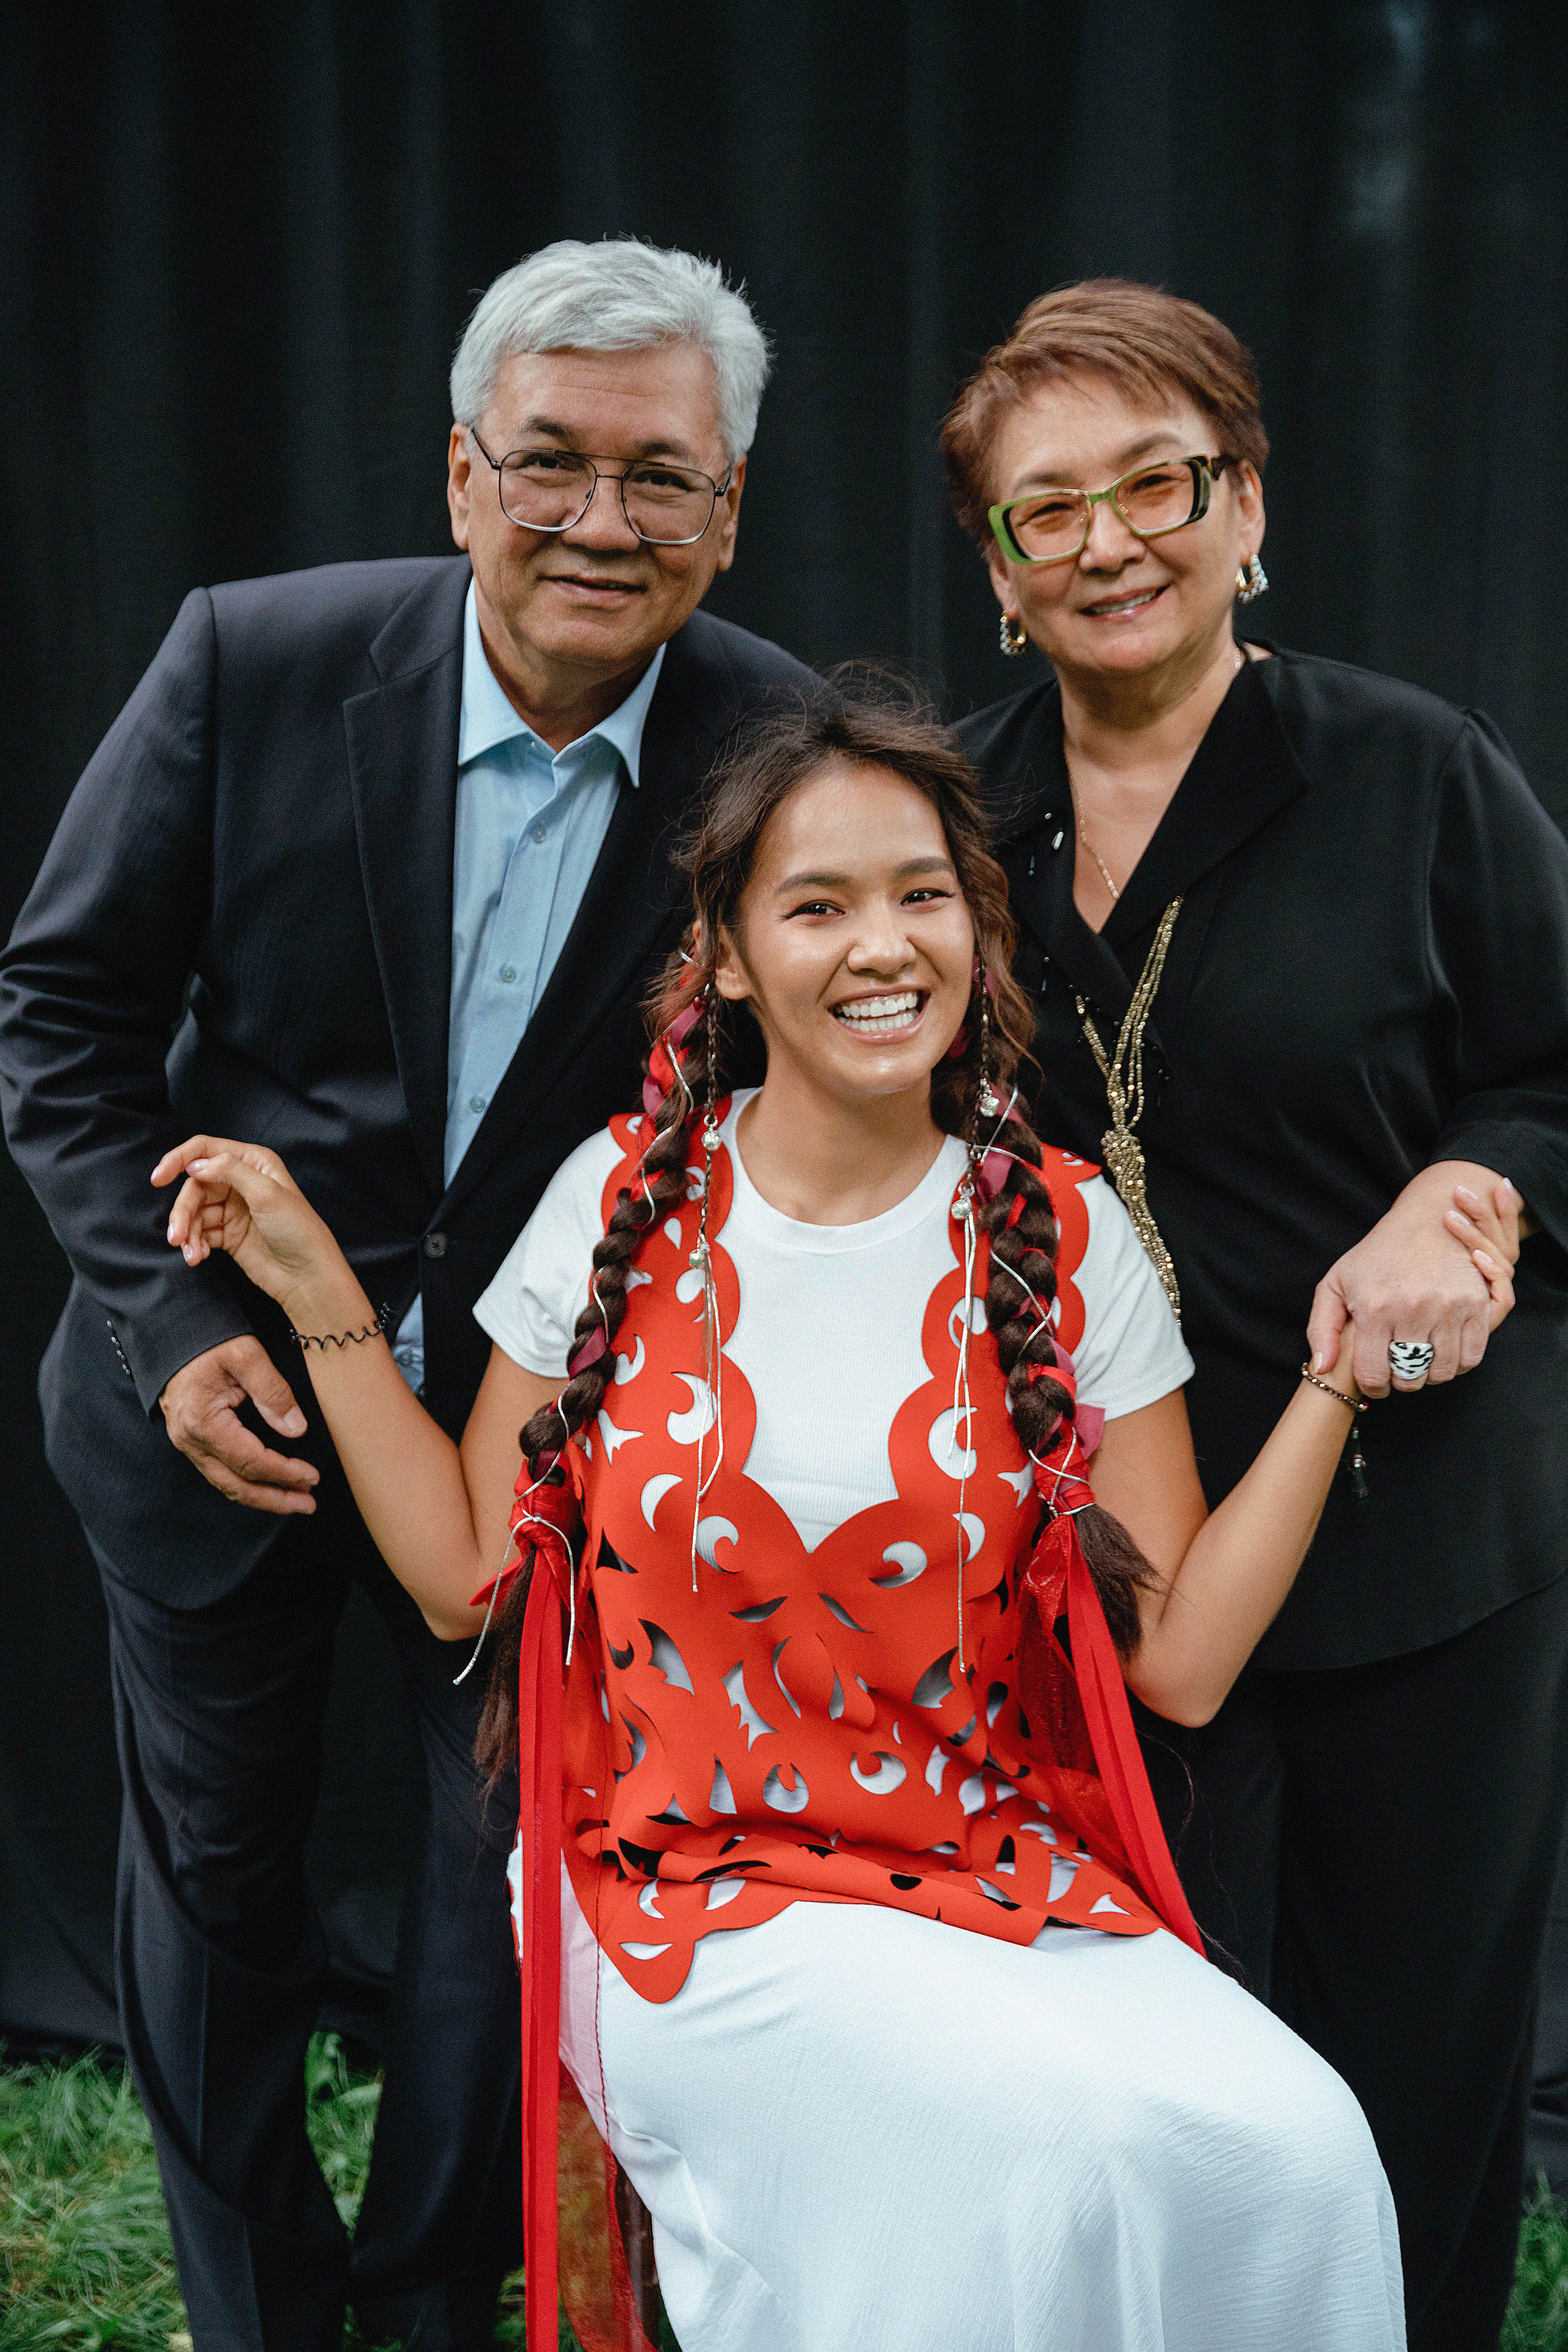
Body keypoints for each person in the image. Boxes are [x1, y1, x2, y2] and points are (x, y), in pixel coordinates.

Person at [145, 688, 1486, 2352]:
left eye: (925, 894)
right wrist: (321, 1299)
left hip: (996, 1879)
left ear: (978, 932)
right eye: (818, 903)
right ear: (720, 952)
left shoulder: (1068, 1240)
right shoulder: (616, 1206)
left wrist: (1339, 1381)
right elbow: (454, 1581)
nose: (883, 946)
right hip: (682, 1888)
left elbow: (1186, 1669)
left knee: (1296, 2152)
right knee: (1060, 2161)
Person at [0, 237, 813, 2352]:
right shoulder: (247, 663)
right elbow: (62, 1016)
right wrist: (166, 1337)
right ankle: (263, 2313)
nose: (598, 521)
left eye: (660, 478)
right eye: (549, 463)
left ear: (728, 512)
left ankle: (448, 2305)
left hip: (546, 1456)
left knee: (503, 1907)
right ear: (461, 477)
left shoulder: (785, 747)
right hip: (230, 1412)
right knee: (216, 1890)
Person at [942, 277, 1568, 2352]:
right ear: (1000, 568)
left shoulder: (1414, 773)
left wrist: (1467, 1188)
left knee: (1407, 2079)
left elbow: (1555, 1071)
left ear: (1248, 505)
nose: (1112, 541)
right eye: (1052, 512)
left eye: (1161, 484)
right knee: (1146, 2088)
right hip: (1080, 1572)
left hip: (1415, 1540)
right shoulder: (939, 818)